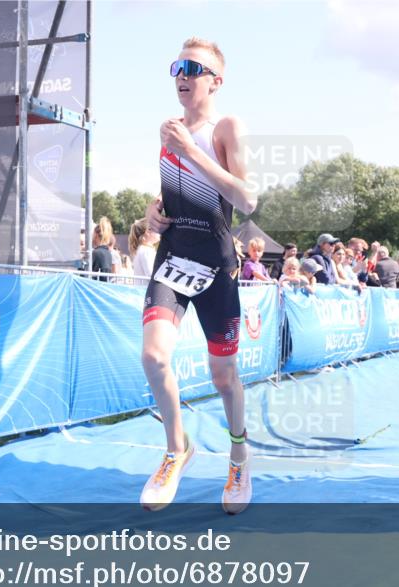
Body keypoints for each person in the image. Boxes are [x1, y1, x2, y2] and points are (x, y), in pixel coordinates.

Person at [140, 37, 257, 514]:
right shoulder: (168, 130)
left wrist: (191, 149)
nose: (183, 76)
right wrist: (152, 213)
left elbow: (247, 199)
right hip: (173, 257)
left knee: (223, 378)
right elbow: (173, 193)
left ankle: (239, 454)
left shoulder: (226, 127)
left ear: (216, 81)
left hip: (215, 264)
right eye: (178, 68)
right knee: (154, 357)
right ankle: (176, 450)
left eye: (194, 68)